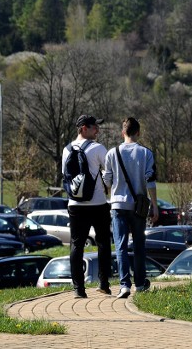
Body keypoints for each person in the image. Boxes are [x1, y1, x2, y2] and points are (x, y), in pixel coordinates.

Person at [103, 117, 159, 299]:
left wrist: (110, 195)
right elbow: (150, 181)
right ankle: (141, 283)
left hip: (117, 205)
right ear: (138, 132)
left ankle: (124, 284)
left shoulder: (112, 153)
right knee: (139, 246)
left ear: (123, 132)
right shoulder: (146, 153)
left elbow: (107, 181)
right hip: (138, 207)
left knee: (120, 245)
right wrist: (155, 206)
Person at [62, 114, 113, 298]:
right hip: (98, 203)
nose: (97, 130)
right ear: (83, 128)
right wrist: (107, 186)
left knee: (76, 245)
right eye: (94, 127)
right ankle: (104, 283)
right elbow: (110, 173)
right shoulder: (98, 148)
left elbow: (65, 177)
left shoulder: (66, 150)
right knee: (103, 243)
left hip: (75, 204)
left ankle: (78, 289)